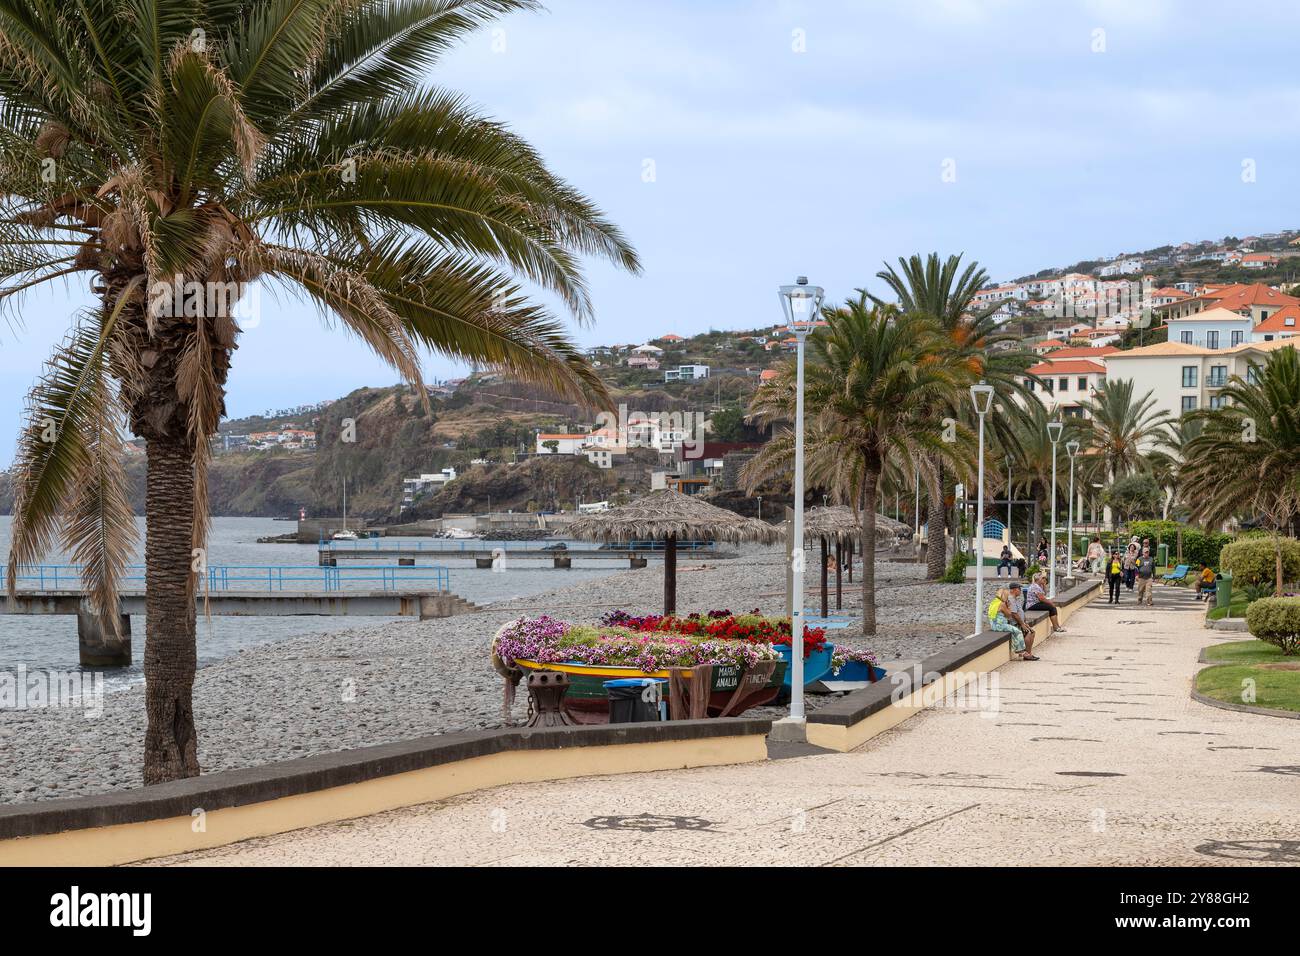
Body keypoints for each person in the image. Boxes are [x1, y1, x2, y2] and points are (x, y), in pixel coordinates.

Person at [988, 586, 1038, 661]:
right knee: (1017, 632)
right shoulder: (1002, 604)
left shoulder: (994, 602)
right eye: (1007, 596)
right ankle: (1020, 650)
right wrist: (1008, 607)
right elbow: (1009, 615)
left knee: (1022, 632)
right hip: (1000, 625)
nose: (1008, 598)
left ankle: (1026, 652)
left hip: (994, 624)